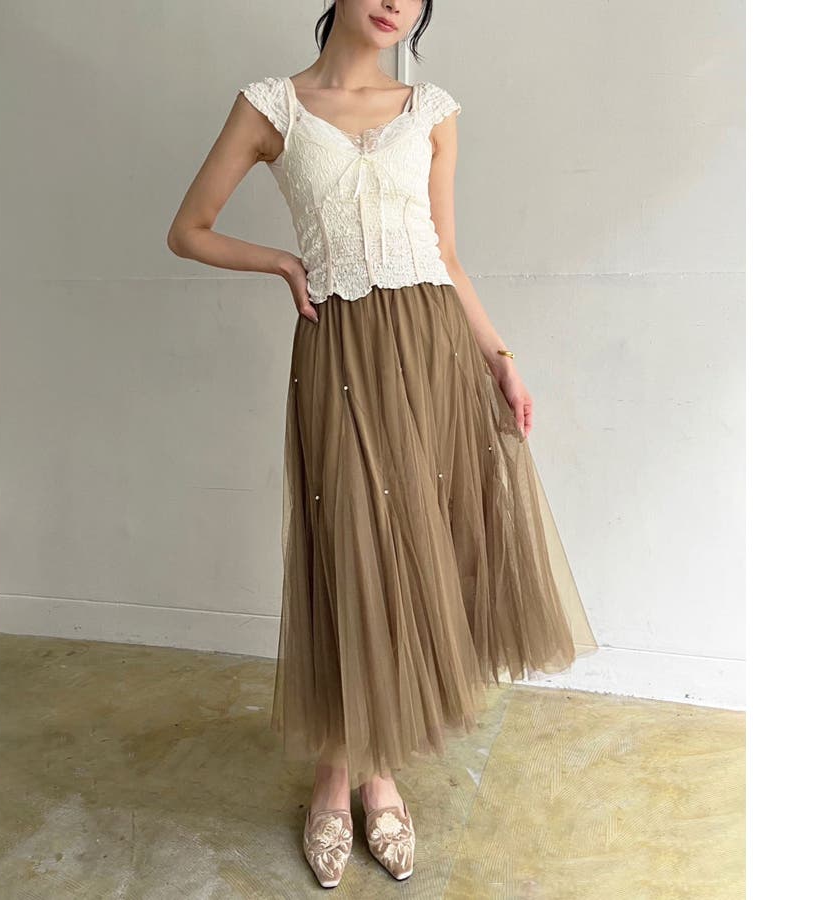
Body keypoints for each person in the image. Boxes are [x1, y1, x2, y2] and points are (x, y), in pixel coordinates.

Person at [167, 0, 598, 888]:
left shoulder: (431, 111)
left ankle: (380, 773)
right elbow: (188, 230)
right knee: (352, 551)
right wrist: (283, 262)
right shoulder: (271, 107)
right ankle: (339, 772)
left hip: (433, 351)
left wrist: (502, 360)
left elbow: (447, 255)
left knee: (416, 552)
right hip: (342, 356)